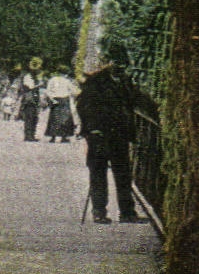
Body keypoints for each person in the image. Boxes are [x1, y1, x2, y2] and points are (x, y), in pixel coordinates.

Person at [76, 46, 142, 224]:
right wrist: (92, 128)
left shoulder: (125, 82)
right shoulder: (95, 81)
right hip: (99, 134)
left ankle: (127, 212)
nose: (120, 69)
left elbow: (136, 102)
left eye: (123, 66)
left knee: (123, 173)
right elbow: (84, 106)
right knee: (98, 173)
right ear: (109, 63)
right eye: (117, 64)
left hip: (119, 135)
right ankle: (99, 211)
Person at [42, 65, 79, 143]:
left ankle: (53, 137)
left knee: (54, 118)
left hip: (55, 100)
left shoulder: (52, 80)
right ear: (65, 73)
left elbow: (48, 91)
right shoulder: (67, 81)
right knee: (65, 119)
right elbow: (74, 92)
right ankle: (64, 137)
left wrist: (51, 99)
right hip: (64, 100)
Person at [18, 57, 43, 141]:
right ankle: (28, 136)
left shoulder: (34, 77)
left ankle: (32, 135)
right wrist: (39, 85)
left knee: (34, 117)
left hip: (34, 98)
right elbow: (29, 87)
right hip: (29, 98)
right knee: (29, 117)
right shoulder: (27, 76)